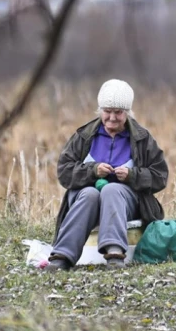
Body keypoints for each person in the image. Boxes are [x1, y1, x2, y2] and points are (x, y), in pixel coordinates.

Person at [45, 79, 168, 271]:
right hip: (85, 199)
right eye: (107, 111)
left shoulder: (142, 139)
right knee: (90, 194)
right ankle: (62, 257)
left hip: (126, 202)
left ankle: (114, 253)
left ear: (127, 112)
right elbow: (64, 172)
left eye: (118, 112)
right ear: (100, 110)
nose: (112, 117)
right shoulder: (84, 136)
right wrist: (92, 171)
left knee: (112, 189)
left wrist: (132, 176)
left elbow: (160, 175)